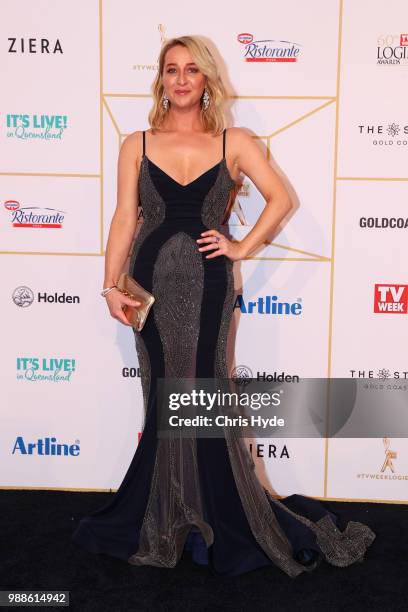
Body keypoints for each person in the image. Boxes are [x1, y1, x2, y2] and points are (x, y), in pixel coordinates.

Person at [71, 35, 375, 577]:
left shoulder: (234, 140)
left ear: (208, 79)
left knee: (207, 389)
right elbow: (124, 218)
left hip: (210, 286)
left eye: (192, 70)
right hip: (149, 288)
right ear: (160, 80)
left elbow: (281, 199)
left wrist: (240, 246)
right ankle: (167, 510)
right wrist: (110, 284)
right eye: (171, 70)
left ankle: (217, 511)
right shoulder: (135, 143)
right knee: (163, 395)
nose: (182, 79)